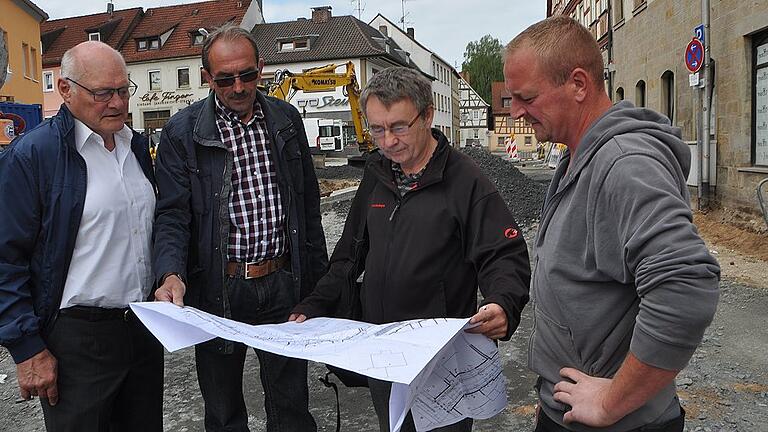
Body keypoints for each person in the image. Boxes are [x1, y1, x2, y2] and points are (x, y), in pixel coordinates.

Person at [503, 16, 720, 432]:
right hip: (569, 412)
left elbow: (686, 287)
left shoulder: (623, 163)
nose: (515, 112)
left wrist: (610, 402)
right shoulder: (577, 155)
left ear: (579, 84)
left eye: (525, 97)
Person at [290, 66, 531, 432]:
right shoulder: (377, 173)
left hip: (441, 359)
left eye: (399, 127)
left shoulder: (464, 179)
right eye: (377, 129)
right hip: (383, 352)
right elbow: (348, 254)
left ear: (428, 115)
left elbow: (503, 253)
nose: (387, 142)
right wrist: (313, 306)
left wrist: (503, 303)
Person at [152, 24, 328, 432]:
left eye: (247, 74)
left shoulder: (285, 119)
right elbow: (173, 214)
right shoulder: (182, 132)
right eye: (225, 78)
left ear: (261, 68)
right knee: (224, 408)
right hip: (218, 289)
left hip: (282, 281)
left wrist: (319, 285)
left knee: (291, 406)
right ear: (207, 77)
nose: (238, 87)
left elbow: (306, 205)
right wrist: (171, 273)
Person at [0, 41, 163, 431]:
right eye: (102, 93)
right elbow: (5, 260)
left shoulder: (136, 146)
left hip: (142, 330)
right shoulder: (32, 156)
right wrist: (28, 350)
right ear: (66, 89)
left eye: (123, 90)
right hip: (76, 340)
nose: (117, 103)